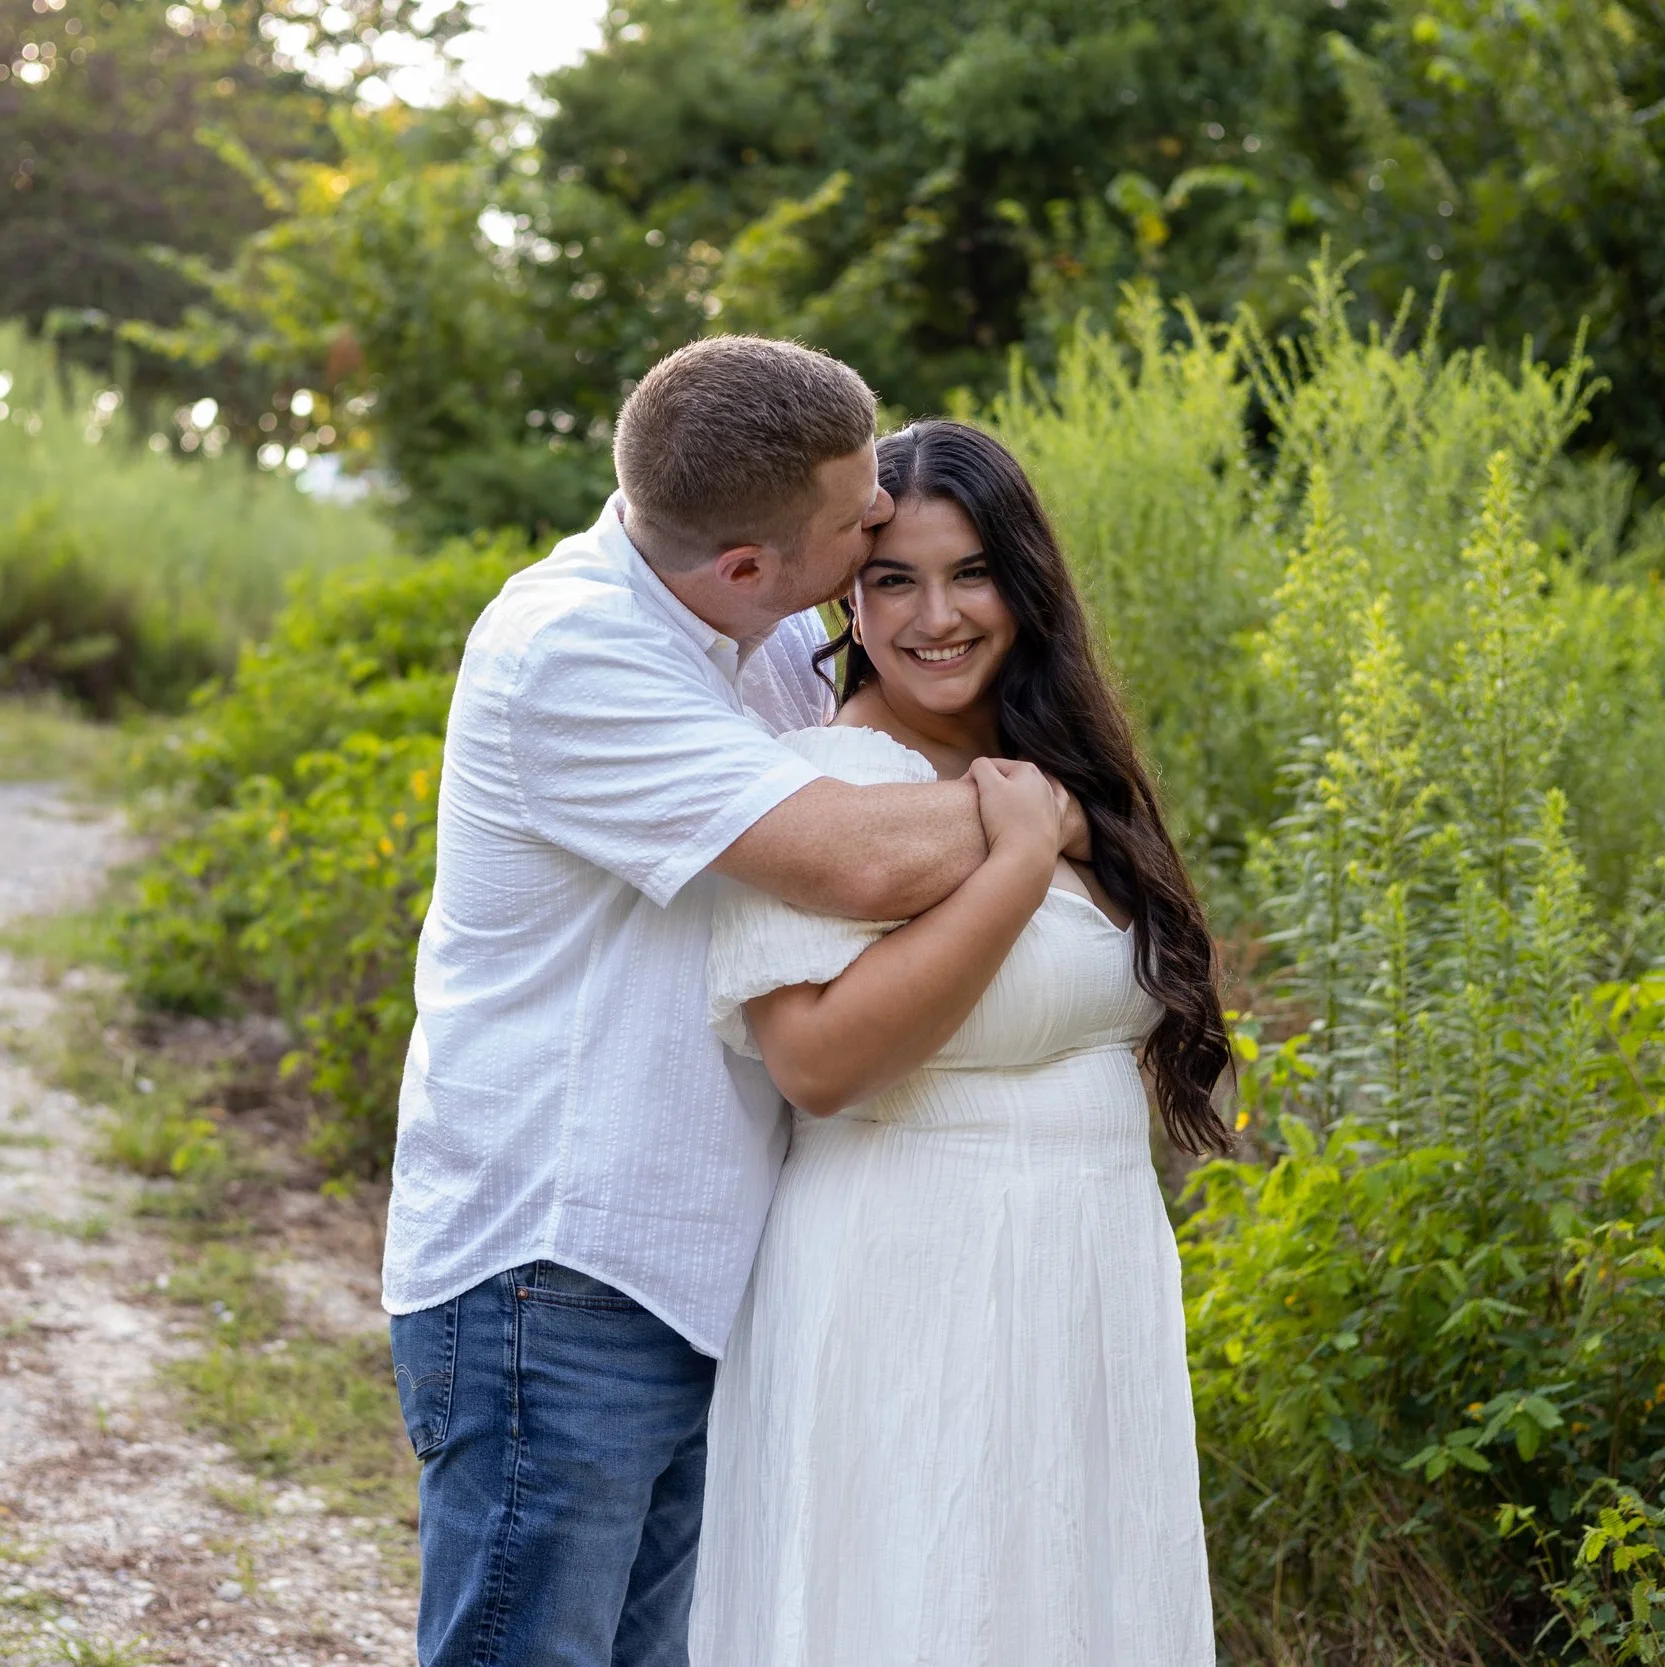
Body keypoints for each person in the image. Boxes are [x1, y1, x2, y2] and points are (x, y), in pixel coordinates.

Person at [382, 341, 1086, 1667]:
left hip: (690, 1276)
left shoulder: (744, 634)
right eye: (860, 522)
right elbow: (860, 852)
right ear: (754, 564)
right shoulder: (574, 650)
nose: (881, 514)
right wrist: (1058, 816)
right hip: (559, 1268)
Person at [689, 419, 1232, 1666]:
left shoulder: (1056, 767)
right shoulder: (822, 784)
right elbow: (816, 1064)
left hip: (1089, 1263)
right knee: (917, 1607)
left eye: (971, 570)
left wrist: (1052, 819)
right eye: (894, 578)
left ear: (1025, 584)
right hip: (907, 1270)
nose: (937, 614)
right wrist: (1019, 855)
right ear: (850, 594)